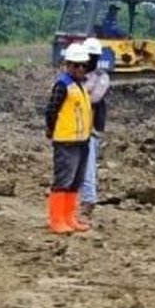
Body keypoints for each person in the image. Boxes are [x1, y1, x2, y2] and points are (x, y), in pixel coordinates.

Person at [44, 43, 94, 234]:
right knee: (63, 180)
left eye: (83, 65)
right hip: (66, 141)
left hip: (82, 140)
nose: (80, 68)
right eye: (76, 65)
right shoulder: (63, 85)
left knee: (75, 181)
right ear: (68, 65)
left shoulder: (80, 86)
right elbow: (51, 110)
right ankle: (57, 220)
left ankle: (69, 218)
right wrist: (51, 129)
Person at [78, 38, 110, 226]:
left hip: (91, 128)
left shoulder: (101, 77)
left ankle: (88, 201)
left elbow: (94, 98)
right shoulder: (77, 75)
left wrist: (76, 93)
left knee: (88, 166)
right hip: (74, 127)